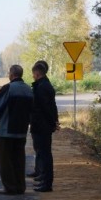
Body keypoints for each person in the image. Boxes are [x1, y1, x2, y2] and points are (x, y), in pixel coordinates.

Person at [0, 65, 33, 195]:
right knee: (19, 159)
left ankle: (9, 187)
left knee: (5, 159)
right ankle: (20, 186)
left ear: (11, 74)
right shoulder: (28, 89)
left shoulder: (7, 88)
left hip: (7, 129)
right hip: (21, 130)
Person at [30, 60, 59, 192]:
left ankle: (47, 183)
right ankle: (43, 178)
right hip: (42, 124)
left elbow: (46, 108)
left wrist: (53, 122)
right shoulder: (44, 85)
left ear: (37, 73)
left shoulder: (42, 87)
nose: (32, 76)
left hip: (42, 125)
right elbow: (52, 106)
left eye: (33, 74)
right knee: (42, 152)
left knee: (45, 154)